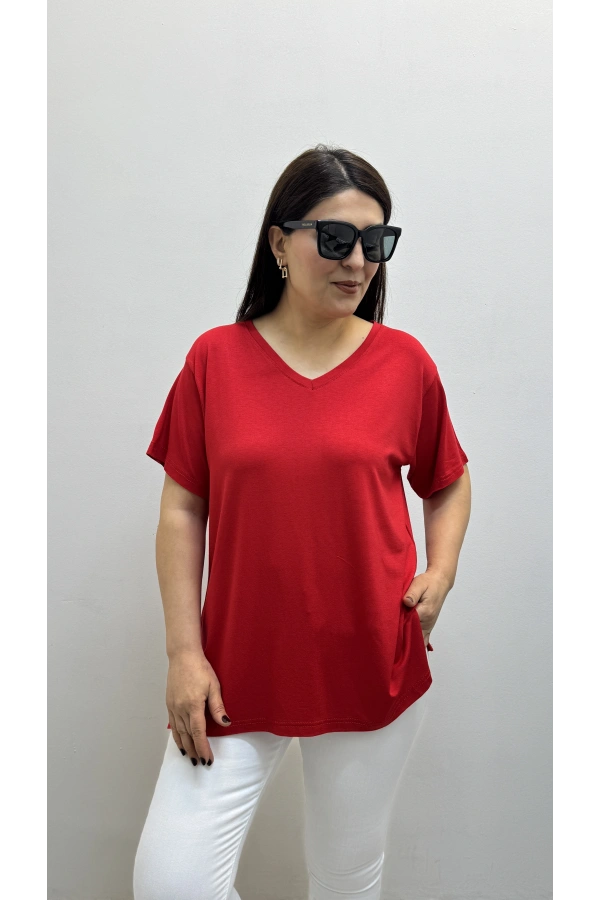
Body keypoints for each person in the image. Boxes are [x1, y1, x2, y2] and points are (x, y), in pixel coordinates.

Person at [133, 144, 471, 900]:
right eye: (336, 238)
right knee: (171, 883)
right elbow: (183, 507)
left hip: (371, 661)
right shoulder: (215, 360)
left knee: (346, 876)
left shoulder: (405, 364)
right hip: (232, 671)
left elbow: (448, 480)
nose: (357, 262)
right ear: (279, 243)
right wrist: (184, 653)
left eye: (375, 242)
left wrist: (442, 571)